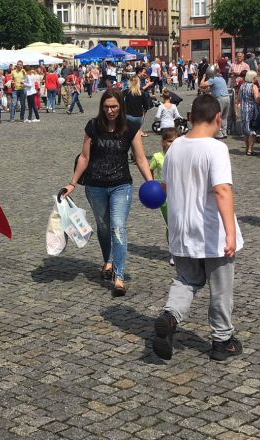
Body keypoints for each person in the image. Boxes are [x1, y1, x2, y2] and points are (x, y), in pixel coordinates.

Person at [153, 93, 244, 362]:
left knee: (187, 280)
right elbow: (223, 190)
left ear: (190, 118)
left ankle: (170, 317)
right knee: (220, 287)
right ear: (218, 118)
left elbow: (166, 189)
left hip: (182, 230)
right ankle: (221, 339)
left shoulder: (174, 148)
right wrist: (230, 233)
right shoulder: (216, 148)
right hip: (211, 231)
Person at [63, 88, 155, 296]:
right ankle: (108, 260)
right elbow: (84, 157)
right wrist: (73, 183)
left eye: (114, 106)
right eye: (106, 107)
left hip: (121, 185)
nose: (110, 111)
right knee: (103, 227)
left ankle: (119, 277)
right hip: (95, 185)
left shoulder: (131, 126)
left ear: (120, 106)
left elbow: (140, 158)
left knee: (118, 228)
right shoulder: (93, 126)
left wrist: (150, 183)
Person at [148, 127, 179, 256]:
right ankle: (173, 250)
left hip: (179, 194)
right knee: (171, 224)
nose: (172, 144)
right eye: (169, 141)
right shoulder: (157, 157)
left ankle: (181, 250)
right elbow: (149, 169)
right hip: (164, 196)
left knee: (180, 223)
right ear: (163, 142)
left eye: (175, 141)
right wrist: (152, 184)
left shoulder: (181, 155)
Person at [201, 67, 230, 139]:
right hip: (227, 98)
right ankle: (224, 132)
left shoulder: (213, 79)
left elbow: (202, 85)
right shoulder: (221, 78)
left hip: (220, 98)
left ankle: (219, 132)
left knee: (218, 115)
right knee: (224, 116)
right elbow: (214, 88)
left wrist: (203, 77)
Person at [237, 71, 260, 157]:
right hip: (252, 110)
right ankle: (250, 150)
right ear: (253, 78)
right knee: (252, 130)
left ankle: (247, 148)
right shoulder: (253, 87)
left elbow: (238, 97)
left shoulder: (242, 86)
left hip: (244, 110)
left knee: (246, 131)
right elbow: (257, 99)